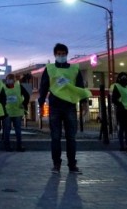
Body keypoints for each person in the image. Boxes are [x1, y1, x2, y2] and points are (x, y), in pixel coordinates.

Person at [38, 43, 91, 174]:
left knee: (71, 137)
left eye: (63, 54)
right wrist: (40, 103)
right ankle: (56, 164)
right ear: (55, 55)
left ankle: (72, 164)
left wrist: (84, 103)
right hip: (55, 106)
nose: (61, 56)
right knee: (55, 137)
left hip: (70, 106)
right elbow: (44, 86)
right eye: (58, 54)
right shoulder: (49, 69)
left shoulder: (74, 69)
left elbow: (80, 87)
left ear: (67, 55)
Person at [2, 73, 30, 152]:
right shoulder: (4, 88)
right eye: (8, 79)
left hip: (16, 112)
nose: (10, 81)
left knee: (15, 130)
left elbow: (27, 96)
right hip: (8, 112)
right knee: (9, 130)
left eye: (11, 79)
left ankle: (17, 146)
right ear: (6, 80)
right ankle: (10, 146)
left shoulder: (19, 86)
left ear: (14, 80)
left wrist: (24, 104)